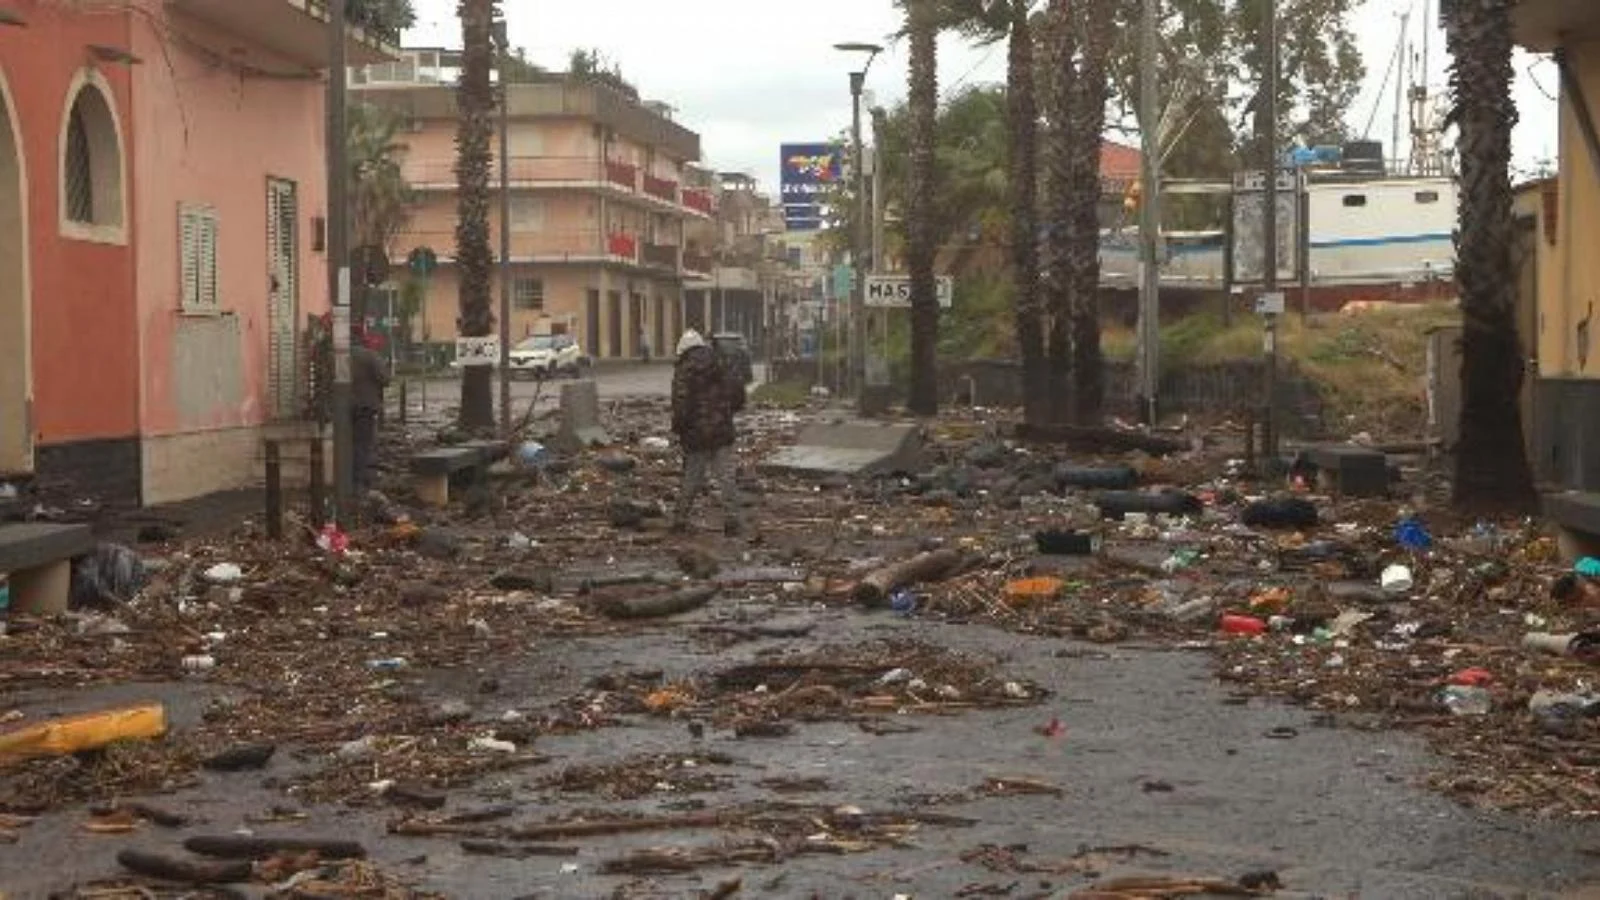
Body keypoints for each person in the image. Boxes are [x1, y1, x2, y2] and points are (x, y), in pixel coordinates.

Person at [670, 329, 745, 536]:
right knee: (726, 476)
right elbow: (737, 392)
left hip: (696, 433)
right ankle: (732, 521)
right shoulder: (720, 362)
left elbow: (680, 404)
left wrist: (679, 429)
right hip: (721, 429)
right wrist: (727, 412)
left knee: (692, 476)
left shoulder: (684, 369)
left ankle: (680, 519)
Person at [351, 330, 389, 492]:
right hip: (365, 406)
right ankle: (359, 480)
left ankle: (348, 477)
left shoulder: (337, 357)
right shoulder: (370, 356)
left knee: (348, 443)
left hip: (342, 407)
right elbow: (385, 379)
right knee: (363, 444)